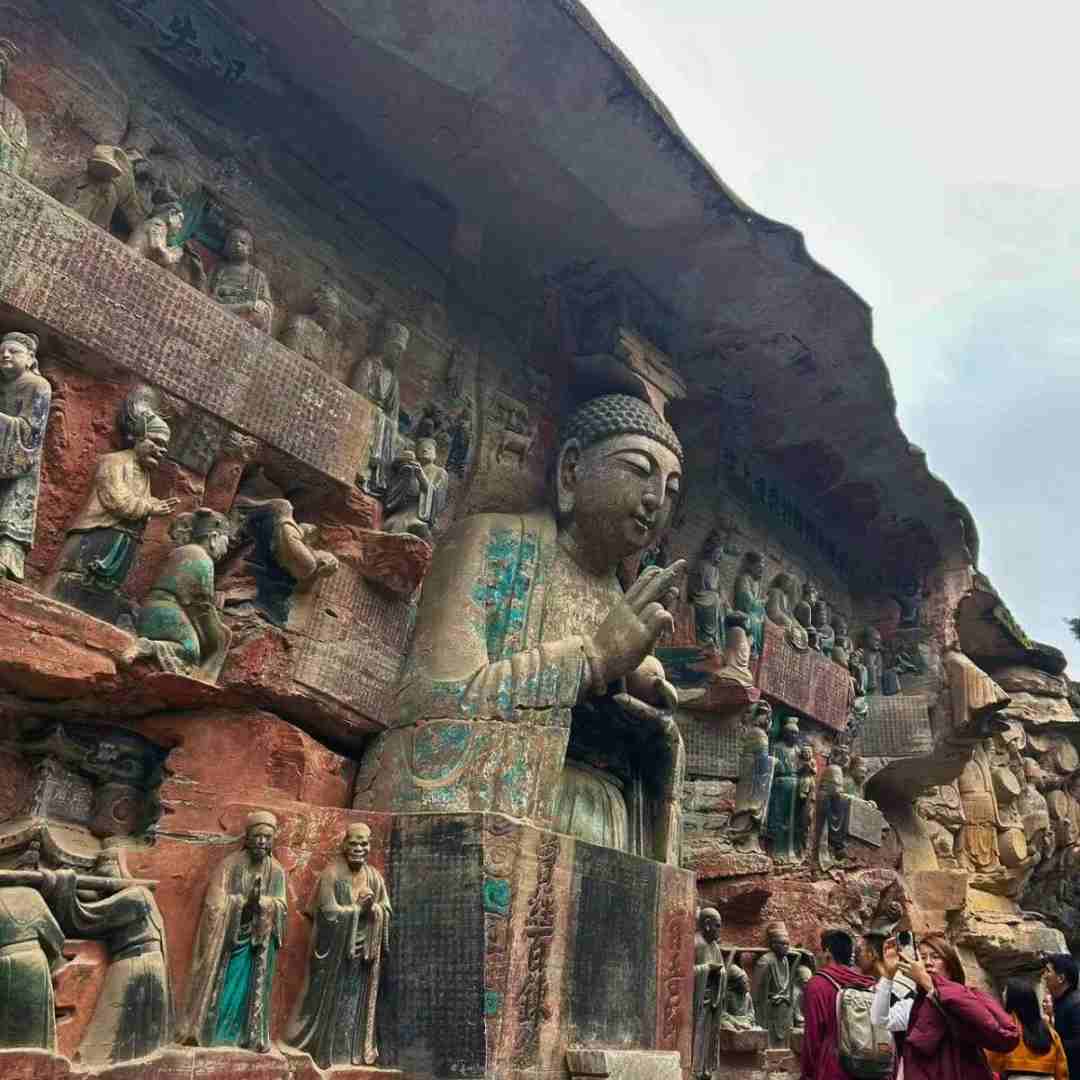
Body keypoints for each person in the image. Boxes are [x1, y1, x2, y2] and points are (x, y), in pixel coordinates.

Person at [181, 810, 288, 1052]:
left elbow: (281, 906)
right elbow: (214, 904)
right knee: (229, 990)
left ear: (273, 841)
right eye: (257, 836)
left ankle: (251, 1037)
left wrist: (264, 904)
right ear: (247, 838)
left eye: (267, 837)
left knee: (252, 994)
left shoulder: (277, 871)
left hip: (258, 944)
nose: (262, 841)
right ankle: (218, 1035)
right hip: (231, 942)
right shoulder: (229, 865)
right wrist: (240, 903)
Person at [285, 823, 391, 1068]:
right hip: (334, 952)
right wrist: (357, 911)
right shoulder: (331, 874)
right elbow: (327, 911)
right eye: (353, 843)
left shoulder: (374, 877)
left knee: (355, 1004)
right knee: (327, 999)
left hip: (363, 953)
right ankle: (322, 1048)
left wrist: (374, 909)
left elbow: (386, 908)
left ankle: (349, 1053)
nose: (358, 848)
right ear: (344, 845)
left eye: (363, 844)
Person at [898, 933, 1018, 1080]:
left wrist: (931, 986)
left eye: (935, 957)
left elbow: (999, 1032)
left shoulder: (971, 995)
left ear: (950, 964)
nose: (928, 963)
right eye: (922, 958)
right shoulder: (919, 1003)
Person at [0, 331, 51, 581]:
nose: (6, 355)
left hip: (22, 456)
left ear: (30, 358)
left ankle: (6, 556)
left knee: (14, 501)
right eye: (2, 352)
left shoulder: (38, 385)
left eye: (13, 351)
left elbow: (32, 431)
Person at [799, 929, 876, 1080]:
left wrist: (807, 1074)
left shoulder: (818, 985)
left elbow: (813, 1037)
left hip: (833, 1068)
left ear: (827, 951)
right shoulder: (869, 983)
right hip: (869, 1068)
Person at [985, 980, 1068, 1080]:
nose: (1002, 994)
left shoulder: (1006, 1030)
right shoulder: (1051, 1033)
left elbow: (991, 1065)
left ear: (1011, 1000)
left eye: (1005, 992)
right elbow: (1062, 1072)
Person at [1045, 953, 1080, 1080]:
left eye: (1048, 971)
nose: (1045, 976)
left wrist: (1050, 1045)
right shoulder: (1061, 1002)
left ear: (1061, 978)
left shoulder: (1076, 1004)